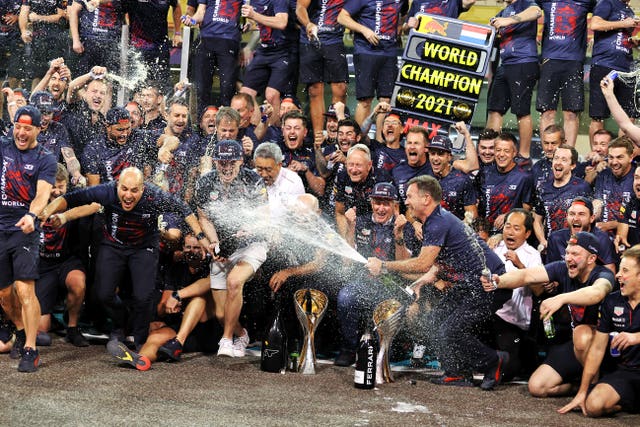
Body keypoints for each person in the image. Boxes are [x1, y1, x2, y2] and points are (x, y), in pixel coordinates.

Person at [42, 167, 212, 351]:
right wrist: (45, 213)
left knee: (143, 296)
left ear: (142, 189)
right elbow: (69, 199)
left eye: (134, 190)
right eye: (124, 189)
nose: (128, 195)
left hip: (144, 247)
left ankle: (138, 340)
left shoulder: (155, 195)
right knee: (102, 293)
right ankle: (122, 323)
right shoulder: (107, 190)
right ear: (117, 186)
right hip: (113, 244)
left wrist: (202, 238)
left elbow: (185, 210)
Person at [367, 175, 508, 390]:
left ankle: (494, 361)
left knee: (450, 330)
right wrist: (426, 279)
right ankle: (456, 372)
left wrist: (384, 266)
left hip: (489, 284)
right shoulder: (436, 220)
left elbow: (423, 263)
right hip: (469, 284)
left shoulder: (438, 222)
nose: (406, 201)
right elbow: (443, 260)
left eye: (410, 196)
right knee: (434, 320)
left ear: (426, 199)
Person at [482, 231, 615, 398]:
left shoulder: (604, 275)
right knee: (537, 387)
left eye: (575, 254)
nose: (568, 258)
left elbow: (597, 292)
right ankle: (577, 386)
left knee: (582, 334)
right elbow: (527, 275)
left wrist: (560, 298)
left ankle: (591, 386)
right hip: (577, 346)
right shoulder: (563, 268)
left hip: (607, 349)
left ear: (591, 259)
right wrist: (499, 281)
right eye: (567, 252)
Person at [194, 140, 268, 358]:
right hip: (224, 245)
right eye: (221, 162)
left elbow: (265, 217)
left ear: (240, 161)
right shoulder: (205, 182)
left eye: (231, 163)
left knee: (234, 281)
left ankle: (226, 340)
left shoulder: (253, 180)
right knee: (220, 313)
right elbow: (204, 218)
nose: (226, 167)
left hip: (252, 244)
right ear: (215, 162)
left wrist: (250, 227)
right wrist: (215, 244)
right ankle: (242, 334)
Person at [107, 233, 218, 371]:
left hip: (206, 330)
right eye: (188, 247)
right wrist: (167, 309)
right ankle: (141, 359)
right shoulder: (177, 269)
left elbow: (207, 283)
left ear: (205, 248)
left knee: (198, 299)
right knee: (155, 337)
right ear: (182, 247)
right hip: (180, 324)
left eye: (196, 247)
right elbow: (162, 306)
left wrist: (177, 296)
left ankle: (177, 343)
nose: (191, 251)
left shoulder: (213, 265)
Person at [0, 105, 57, 372]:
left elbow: (42, 194)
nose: (21, 133)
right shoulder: (3, 147)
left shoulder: (46, 158)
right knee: (4, 295)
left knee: (24, 289)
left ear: (38, 129)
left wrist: (32, 216)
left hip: (24, 229)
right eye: (17, 127)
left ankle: (30, 349)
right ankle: (21, 330)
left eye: (27, 128)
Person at [558, 245, 640, 417]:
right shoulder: (612, 301)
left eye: (625, 270)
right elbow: (597, 349)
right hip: (627, 371)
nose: (618, 275)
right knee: (593, 406)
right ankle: (629, 404)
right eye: (619, 269)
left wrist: (636, 338)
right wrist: (582, 391)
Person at [336, 182, 410, 366]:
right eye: (377, 202)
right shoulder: (360, 221)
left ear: (394, 205)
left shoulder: (403, 226)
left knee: (387, 355)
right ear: (371, 203)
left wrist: (398, 235)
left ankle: (382, 350)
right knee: (345, 297)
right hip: (363, 282)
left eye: (386, 203)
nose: (381, 208)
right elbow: (347, 261)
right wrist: (350, 228)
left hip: (391, 285)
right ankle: (349, 349)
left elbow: (404, 265)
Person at [35, 164, 97, 347]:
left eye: (60, 186)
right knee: (42, 332)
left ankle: (72, 327)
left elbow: (95, 205)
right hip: (43, 265)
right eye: (52, 186)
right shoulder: (35, 202)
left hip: (67, 261)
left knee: (78, 284)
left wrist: (66, 215)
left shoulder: (73, 199)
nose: (56, 191)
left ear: (66, 186)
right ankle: (52, 321)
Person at [337, 0, 408, 125]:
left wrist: (399, 28)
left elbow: (404, 13)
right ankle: (360, 141)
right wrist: (364, 30)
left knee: (385, 101)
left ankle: (380, 141)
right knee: (365, 100)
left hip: (389, 53)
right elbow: (342, 17)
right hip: (366, 51)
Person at [491, 209, 543, 380]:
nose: (510, 232)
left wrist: (520, 266)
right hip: (492, 316)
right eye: (507, 227)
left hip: (516, 323)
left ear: (527, 233)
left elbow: (539, 291)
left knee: (508, 372)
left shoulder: (533, 256)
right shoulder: (494, 248)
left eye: (516, 228)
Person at [487, 0, 541, 159]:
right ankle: (492, 151)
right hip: (505, 64)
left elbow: (536, 12)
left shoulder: (525, 2)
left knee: (521, 111)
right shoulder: (504, 11)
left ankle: (524, 155)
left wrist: (509, 20)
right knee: (494, 109)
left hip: (523, 62)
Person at [536, 0, 593, 147]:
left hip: (574, 61)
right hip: (550, 59)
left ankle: (568, 153)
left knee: (571, 113)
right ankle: (547, 152)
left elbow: (606, 11)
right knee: (547, 112)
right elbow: (528, 8)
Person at [588, 0, 639, 143]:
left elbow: (619, 36)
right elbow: (595, 24)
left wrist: (632, 41)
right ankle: (597, 156)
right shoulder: (607, 2)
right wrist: (624, 24)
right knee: (598, 115)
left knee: (629, 116)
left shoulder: (629, 10)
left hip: (626, 69)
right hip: (604, 65)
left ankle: (622, 154)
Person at [295, 0, 348, 137]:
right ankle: (319, 139)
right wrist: (308, 24)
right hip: (310, 39)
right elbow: (300, 7)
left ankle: (337, 136)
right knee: (314, 90)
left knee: (340, 88)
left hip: (334, 40)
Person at [183, 0, 242, 111]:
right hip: (206, 39)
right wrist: (192, 19)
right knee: (201, 88)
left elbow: (249, 12)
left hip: (229, 41)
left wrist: (248, 24)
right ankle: (201, 122)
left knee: (227, 88)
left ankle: (227, 122)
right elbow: (201, 11)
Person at [238, 0, 289, 125]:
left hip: (282, 51)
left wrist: (254, 15)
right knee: (245, 95)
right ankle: (255, 134)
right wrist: (252, 26)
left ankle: (274, 134)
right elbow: (262, 22)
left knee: (271, 95)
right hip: (264, 50)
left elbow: (282, 22)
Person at [533, 144, 592, 248]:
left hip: (575, 246)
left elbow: (589, 220)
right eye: (556, 158)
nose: (558, 162)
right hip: (551, 246)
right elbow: (537, 220)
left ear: (572, 165)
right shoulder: (543, 188)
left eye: (564, 160)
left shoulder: (582, 187)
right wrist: (542, 240)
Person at [334, 143, 391, 237]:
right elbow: (340, 212)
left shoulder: (382, 179)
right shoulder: (342, 177)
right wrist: (345, 237)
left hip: (378, 224)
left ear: (369, 165)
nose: (354, 169)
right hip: (351, 221)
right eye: (350, 164)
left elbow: (392, 213)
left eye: (358, 165)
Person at [480, 132, 533, 232]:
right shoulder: (485, 173)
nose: (501, 154)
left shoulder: (524, 177)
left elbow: (527, 210)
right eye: (498, 150)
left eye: (506, 151)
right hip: (485, 234)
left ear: (514, 153)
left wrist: (508, 216)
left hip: (510, 234)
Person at [547, 197, 617, 273]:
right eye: (572, 214)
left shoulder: (601, 239)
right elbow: (549, 272)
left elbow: (610, 273)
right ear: (566, 216)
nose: (576, 218)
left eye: (581, 214)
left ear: (592, 218)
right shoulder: (556, 238)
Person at [127, 0, 182, 94]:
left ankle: (164, 106)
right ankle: (134, 108)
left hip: (160, 46)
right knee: (136, 86)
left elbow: (176, 6)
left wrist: (177, 32)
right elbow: (122, 9)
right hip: (137, 47)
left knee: (163, 85)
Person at [427, 134, 478, 221]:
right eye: (432, 153)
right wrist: (416, 223)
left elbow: (472, 214)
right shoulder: (425, 179)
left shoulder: (462, 180)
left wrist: (456, 230)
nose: (435, 158)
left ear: (449, 157)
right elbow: (412, 210)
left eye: (440, 154)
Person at [68, 0, 126, 74]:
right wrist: (75, 40)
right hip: (88, 41)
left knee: (111, 78)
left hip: (112, 43)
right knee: (84, 77)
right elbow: (73, 11)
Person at [253, 142, 305, 219]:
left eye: (268, 169)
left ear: (279, 165)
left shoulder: (293, 182)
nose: (264, 174)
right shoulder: (250, 177)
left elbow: (299, 217)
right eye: (259, 169)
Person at [594, 136, 635, 235]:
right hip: (603, 237)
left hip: (631, 238)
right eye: (611, 157)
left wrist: (611, 225)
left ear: (631, 157)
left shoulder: (636, 178)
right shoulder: (604, 175)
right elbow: (597, 202)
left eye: (619, 157)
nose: (614, 162)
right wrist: (591, 216)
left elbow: (636, 217)